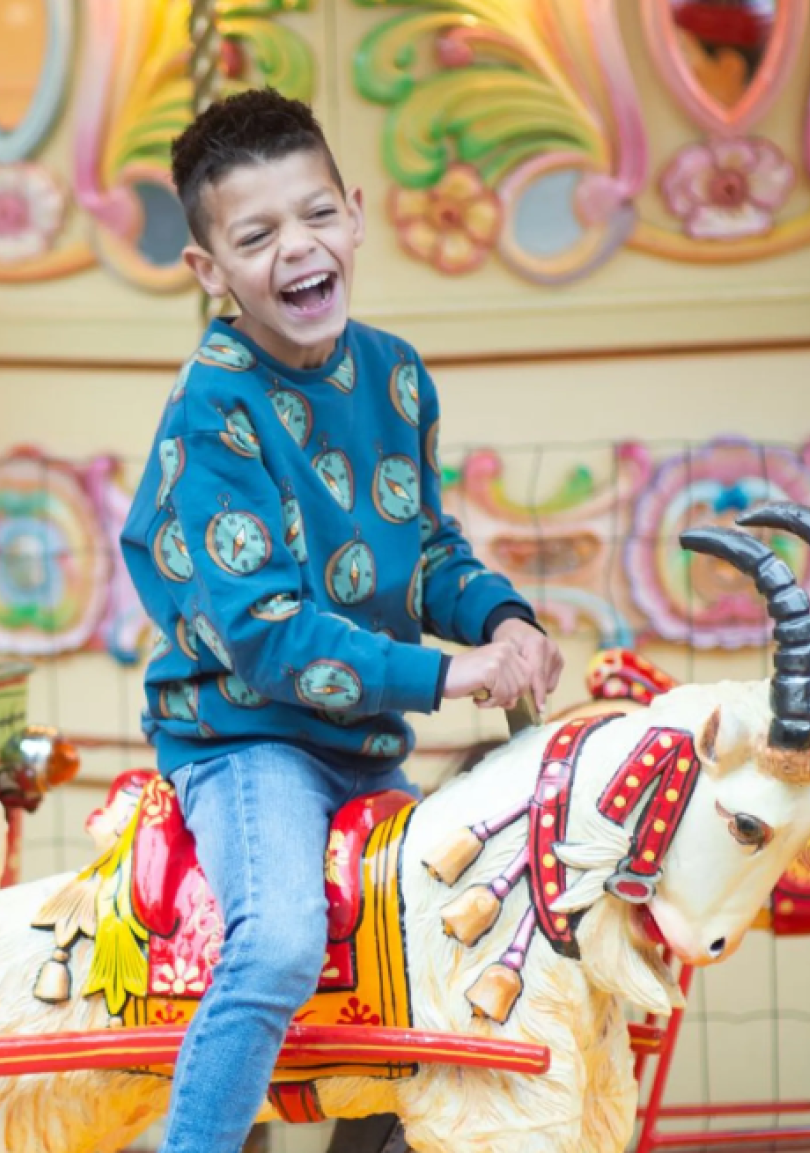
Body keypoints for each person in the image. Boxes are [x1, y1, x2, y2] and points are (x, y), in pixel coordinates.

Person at [118, 88, 565, 1153]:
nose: (298, 249)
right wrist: (442, 677)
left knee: (446, 942)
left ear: (355, 215)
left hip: (363, 743)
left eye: (316, 215)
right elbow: (265, 632)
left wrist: (500, 618)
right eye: (256, 234)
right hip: (248, 737)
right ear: (208, 271)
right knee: (276, 944)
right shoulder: (212, 401)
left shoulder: (395, 374)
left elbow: (424, 553)